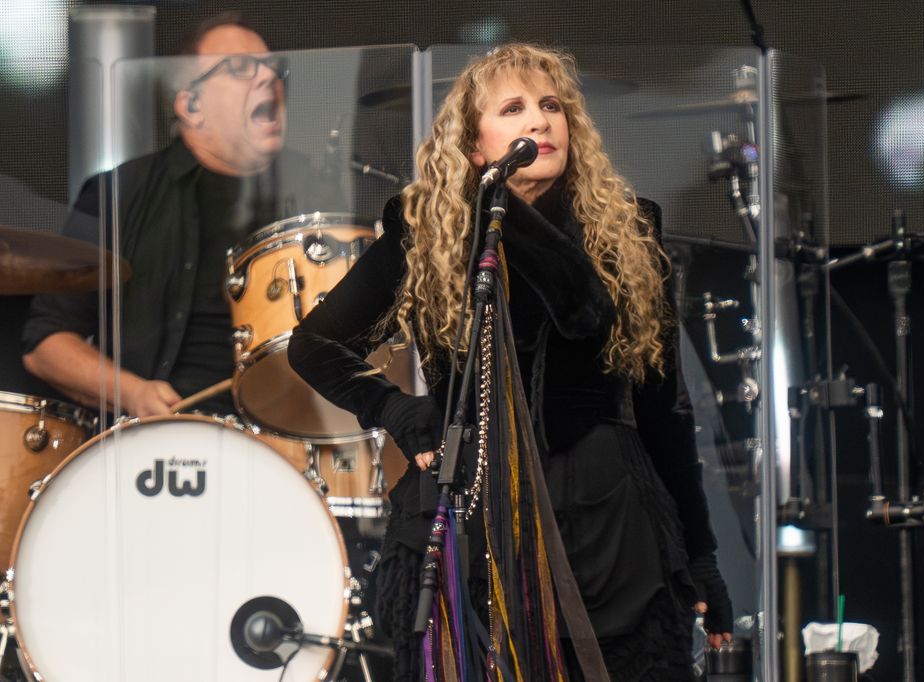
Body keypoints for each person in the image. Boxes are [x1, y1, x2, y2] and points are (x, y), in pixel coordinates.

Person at [288, 44, 733, 680]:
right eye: (514, 108)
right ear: (474, 147)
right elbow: (314, 345)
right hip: (468, 512)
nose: (539, 122)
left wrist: (703, 551)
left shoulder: (627, 231)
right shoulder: (427, 232)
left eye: (552, 107)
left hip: (604, 521)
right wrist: (401, 412)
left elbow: (662, 399)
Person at [22, 13, 326, 417]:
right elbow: (45, 344)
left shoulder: (316, 190)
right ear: (191, 104)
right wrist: (130, 392)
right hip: (154, 446)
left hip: (293, 440)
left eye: (275, 66)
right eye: (239, 68)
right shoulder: (119, 193)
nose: (269, 77)